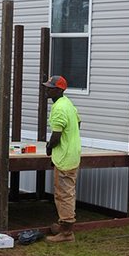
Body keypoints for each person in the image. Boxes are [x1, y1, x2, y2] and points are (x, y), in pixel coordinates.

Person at [42, 75, 81, 243]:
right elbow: (78, 123)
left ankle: (66, 233)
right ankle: (63, 225)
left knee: (64, 194)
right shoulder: (68, 104)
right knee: (66, 192)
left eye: (50, 87)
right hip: (72, 153)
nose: (47, 89)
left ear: (59, 90)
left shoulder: (58, 108)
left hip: (65, 157)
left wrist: (49, 147)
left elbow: (56, 135)